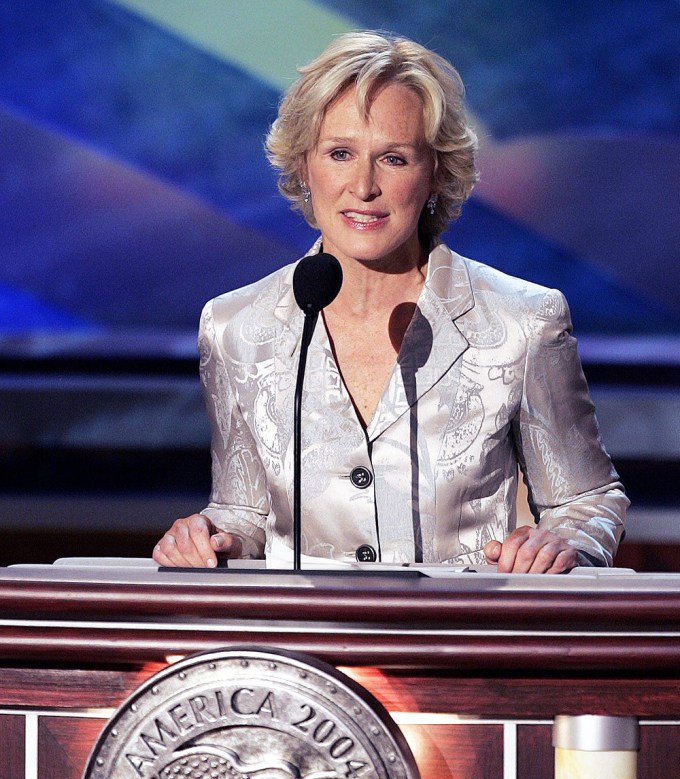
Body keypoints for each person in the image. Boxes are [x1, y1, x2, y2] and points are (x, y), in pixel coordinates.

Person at [153, 31, 628, 574]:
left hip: (459, 642)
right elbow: (242, 510)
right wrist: (210, 539)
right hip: (302, 643)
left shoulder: (523, 320)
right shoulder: (234, 325)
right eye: (339, 154)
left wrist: (560, 542)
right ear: (305, 167)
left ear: (435, 174)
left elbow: (586, 499)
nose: (363, 185)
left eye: (394, 159)